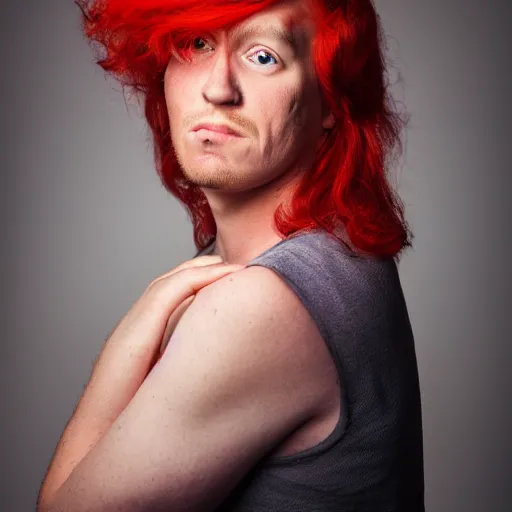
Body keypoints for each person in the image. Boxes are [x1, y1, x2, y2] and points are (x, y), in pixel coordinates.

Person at [37, 0, 425, 510]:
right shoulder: (333, 255)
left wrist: (128, 340)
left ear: (331, 100)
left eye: (263, 56)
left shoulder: (264, 304)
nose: (218, 88)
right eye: (195, 44)